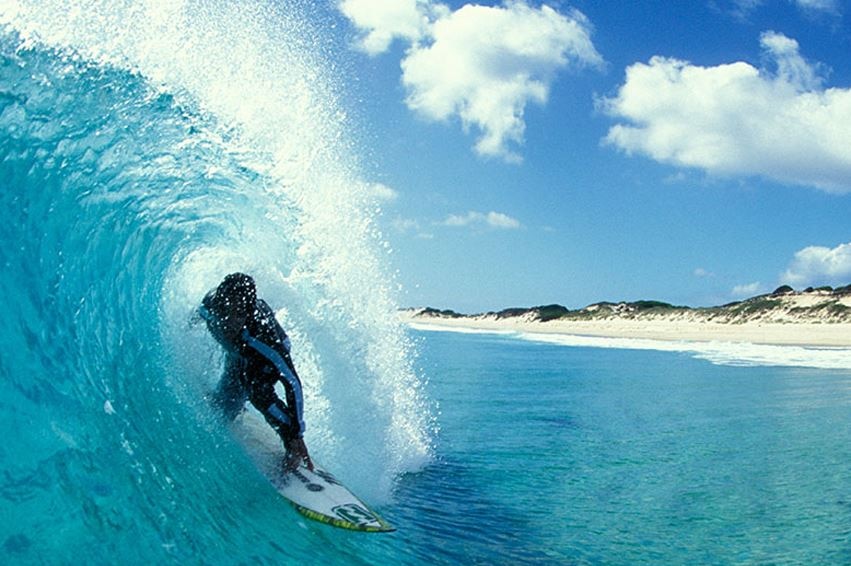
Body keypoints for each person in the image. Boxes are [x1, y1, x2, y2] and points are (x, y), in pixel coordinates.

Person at [199, 272, 313, 472]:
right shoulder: (209, 306)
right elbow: (196, 315)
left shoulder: (262, 338)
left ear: (247, 315)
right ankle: (234, 401)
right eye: (226, 310)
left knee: (257, 390)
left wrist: (297, 433)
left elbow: (292, 383)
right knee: (223, 411)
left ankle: (291, 446)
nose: (229, 320)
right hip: (239, 353)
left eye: (238, 314)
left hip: (265, 356)